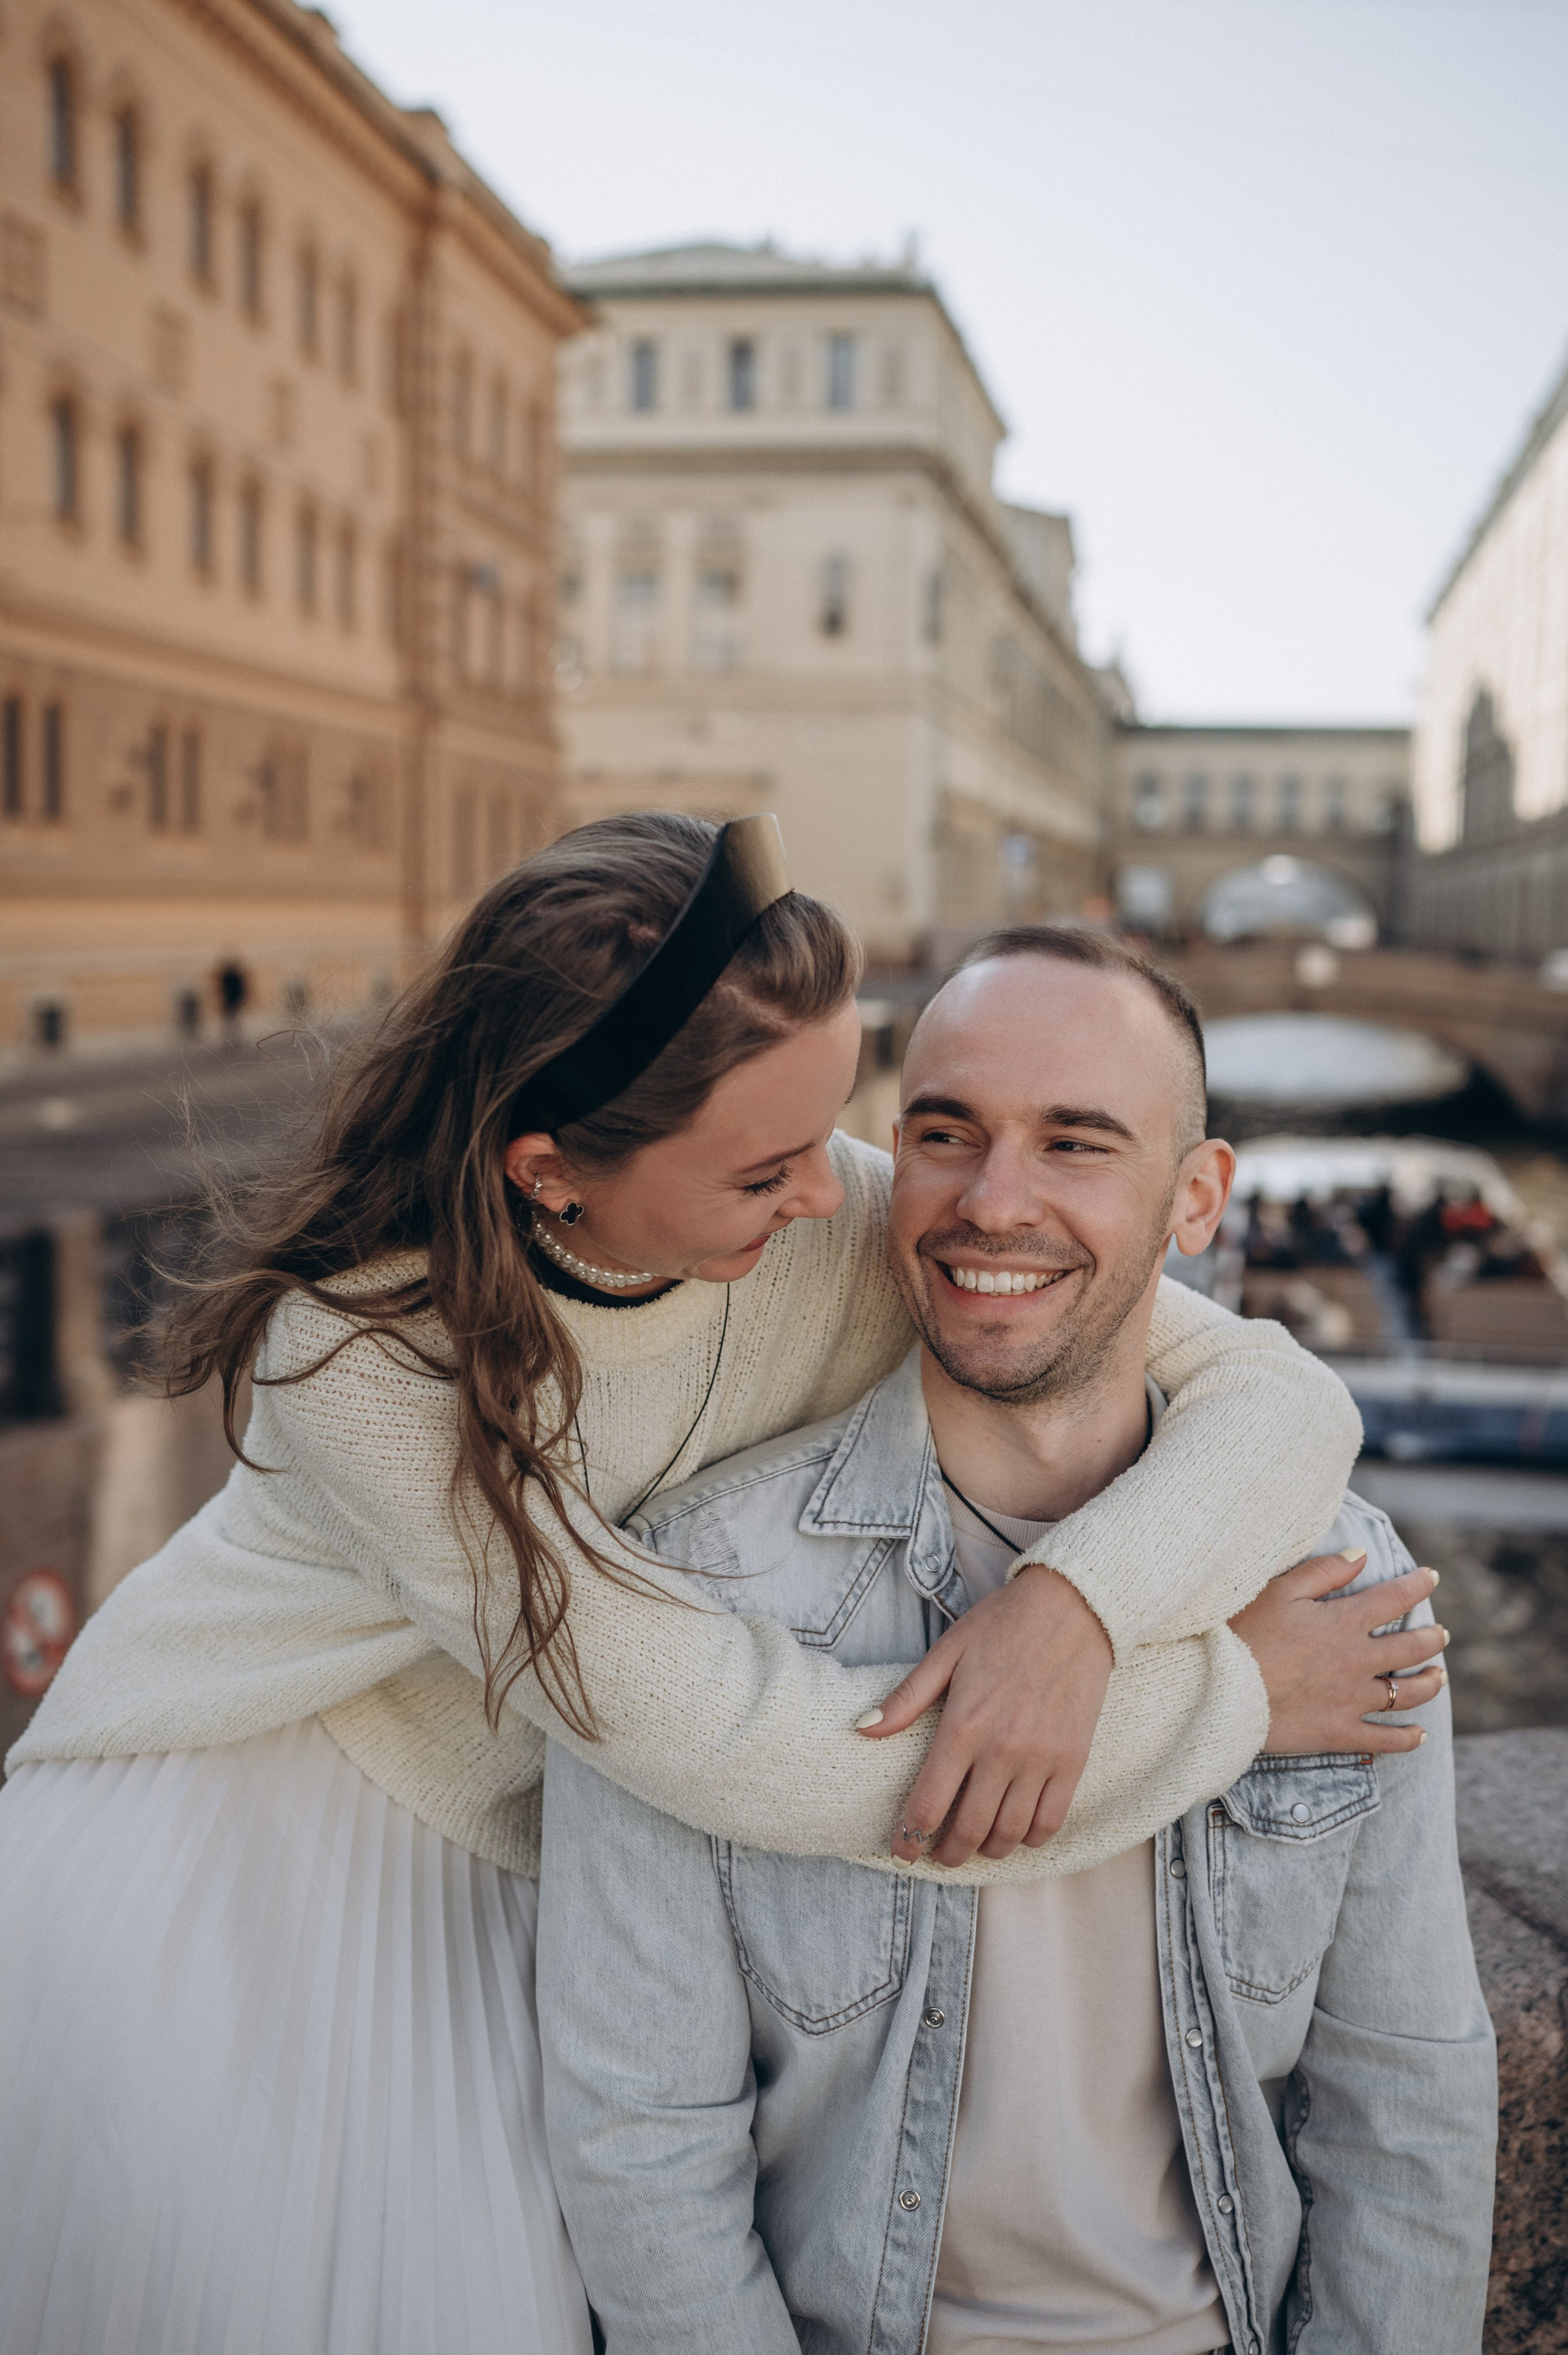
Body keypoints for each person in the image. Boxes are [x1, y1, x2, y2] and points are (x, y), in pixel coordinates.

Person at [2, 820, 1385, 2355]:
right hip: (262, 1857)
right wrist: (1229, 1696)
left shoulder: (818, 1208)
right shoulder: (361, 1362)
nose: (832, 1197)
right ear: (552, 1173)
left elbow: (1281, 1397)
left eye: (834, 1125)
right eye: (765, 1165)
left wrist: (1076, 1604)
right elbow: (733, 1737)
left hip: (562, 1844)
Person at [539, 924, 1494, 2355]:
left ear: (1195, 1200)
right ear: (883, 1163)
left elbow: (1404, 2092)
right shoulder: (692, 1579)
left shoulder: (1342, 1575)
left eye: (1073, 1142)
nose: (993, 1200)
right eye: (947, 1131)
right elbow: (643, 2137)